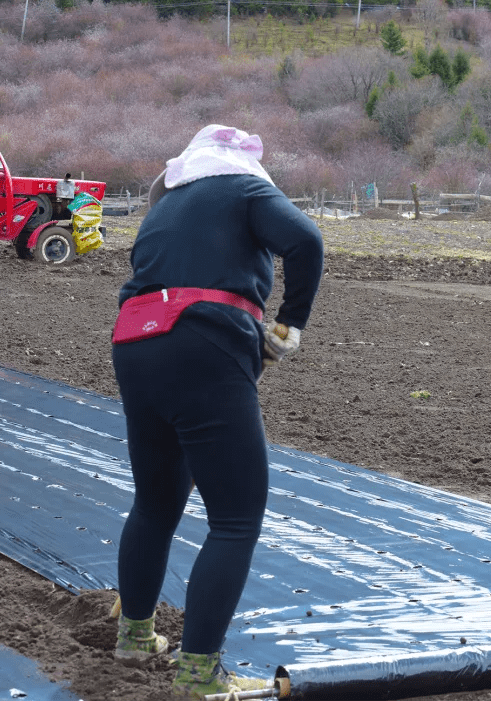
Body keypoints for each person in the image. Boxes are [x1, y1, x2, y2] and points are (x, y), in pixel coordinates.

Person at [109, 125, 324, 698]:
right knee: (235, 518)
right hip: (203, 341)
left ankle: (135, 636)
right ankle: (200, 675)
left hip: (135, 341)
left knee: (155, 503)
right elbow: (305, 241)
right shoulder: (245, 189)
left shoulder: (165, 207)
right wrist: (288, 324)